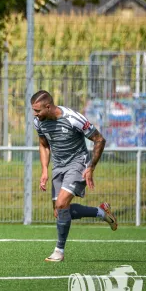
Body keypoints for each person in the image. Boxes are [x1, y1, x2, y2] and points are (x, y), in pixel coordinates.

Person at [31, 90, 117, 262]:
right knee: (59, 211)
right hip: (58, 166)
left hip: (78, 164)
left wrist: (91, 166)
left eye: (38, 110)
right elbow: (44, 145)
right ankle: (101, 212)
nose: (35, 114)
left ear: (48, 107)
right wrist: (44, 170)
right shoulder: (39, 122)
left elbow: (99, 139)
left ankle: (59, 252)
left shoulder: (73, 118)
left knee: (62, 204)